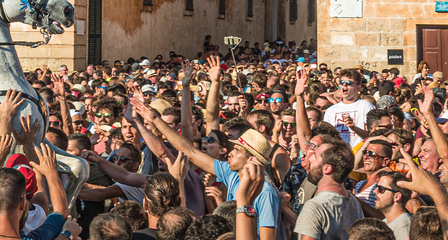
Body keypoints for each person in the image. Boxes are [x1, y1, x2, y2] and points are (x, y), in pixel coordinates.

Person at [135, 96, 283, 240]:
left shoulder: (265, 192)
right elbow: (190, 152)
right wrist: (155, 119)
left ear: (252, 159)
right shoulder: (231, 173)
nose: (230, 153)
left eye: (237, 150)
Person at [295, 136, 364, 240]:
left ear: (327, 168)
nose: (310, 159)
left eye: (315, 156)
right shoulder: (355, 204)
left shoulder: (315, 207)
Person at [323, 69, 375, 147]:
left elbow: (372, 135)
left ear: (358, 88)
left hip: (358, 154)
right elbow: (326, 137)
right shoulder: (331, 110)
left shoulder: (366, 106)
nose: (344, 85)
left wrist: (354, 128)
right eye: (342, 82)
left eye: (349, 83)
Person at [373, 171, 412, 240]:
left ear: (397, 196)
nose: (375, 191)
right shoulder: (385, 222)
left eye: (381, 189)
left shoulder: (403, 225)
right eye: (376, 187)